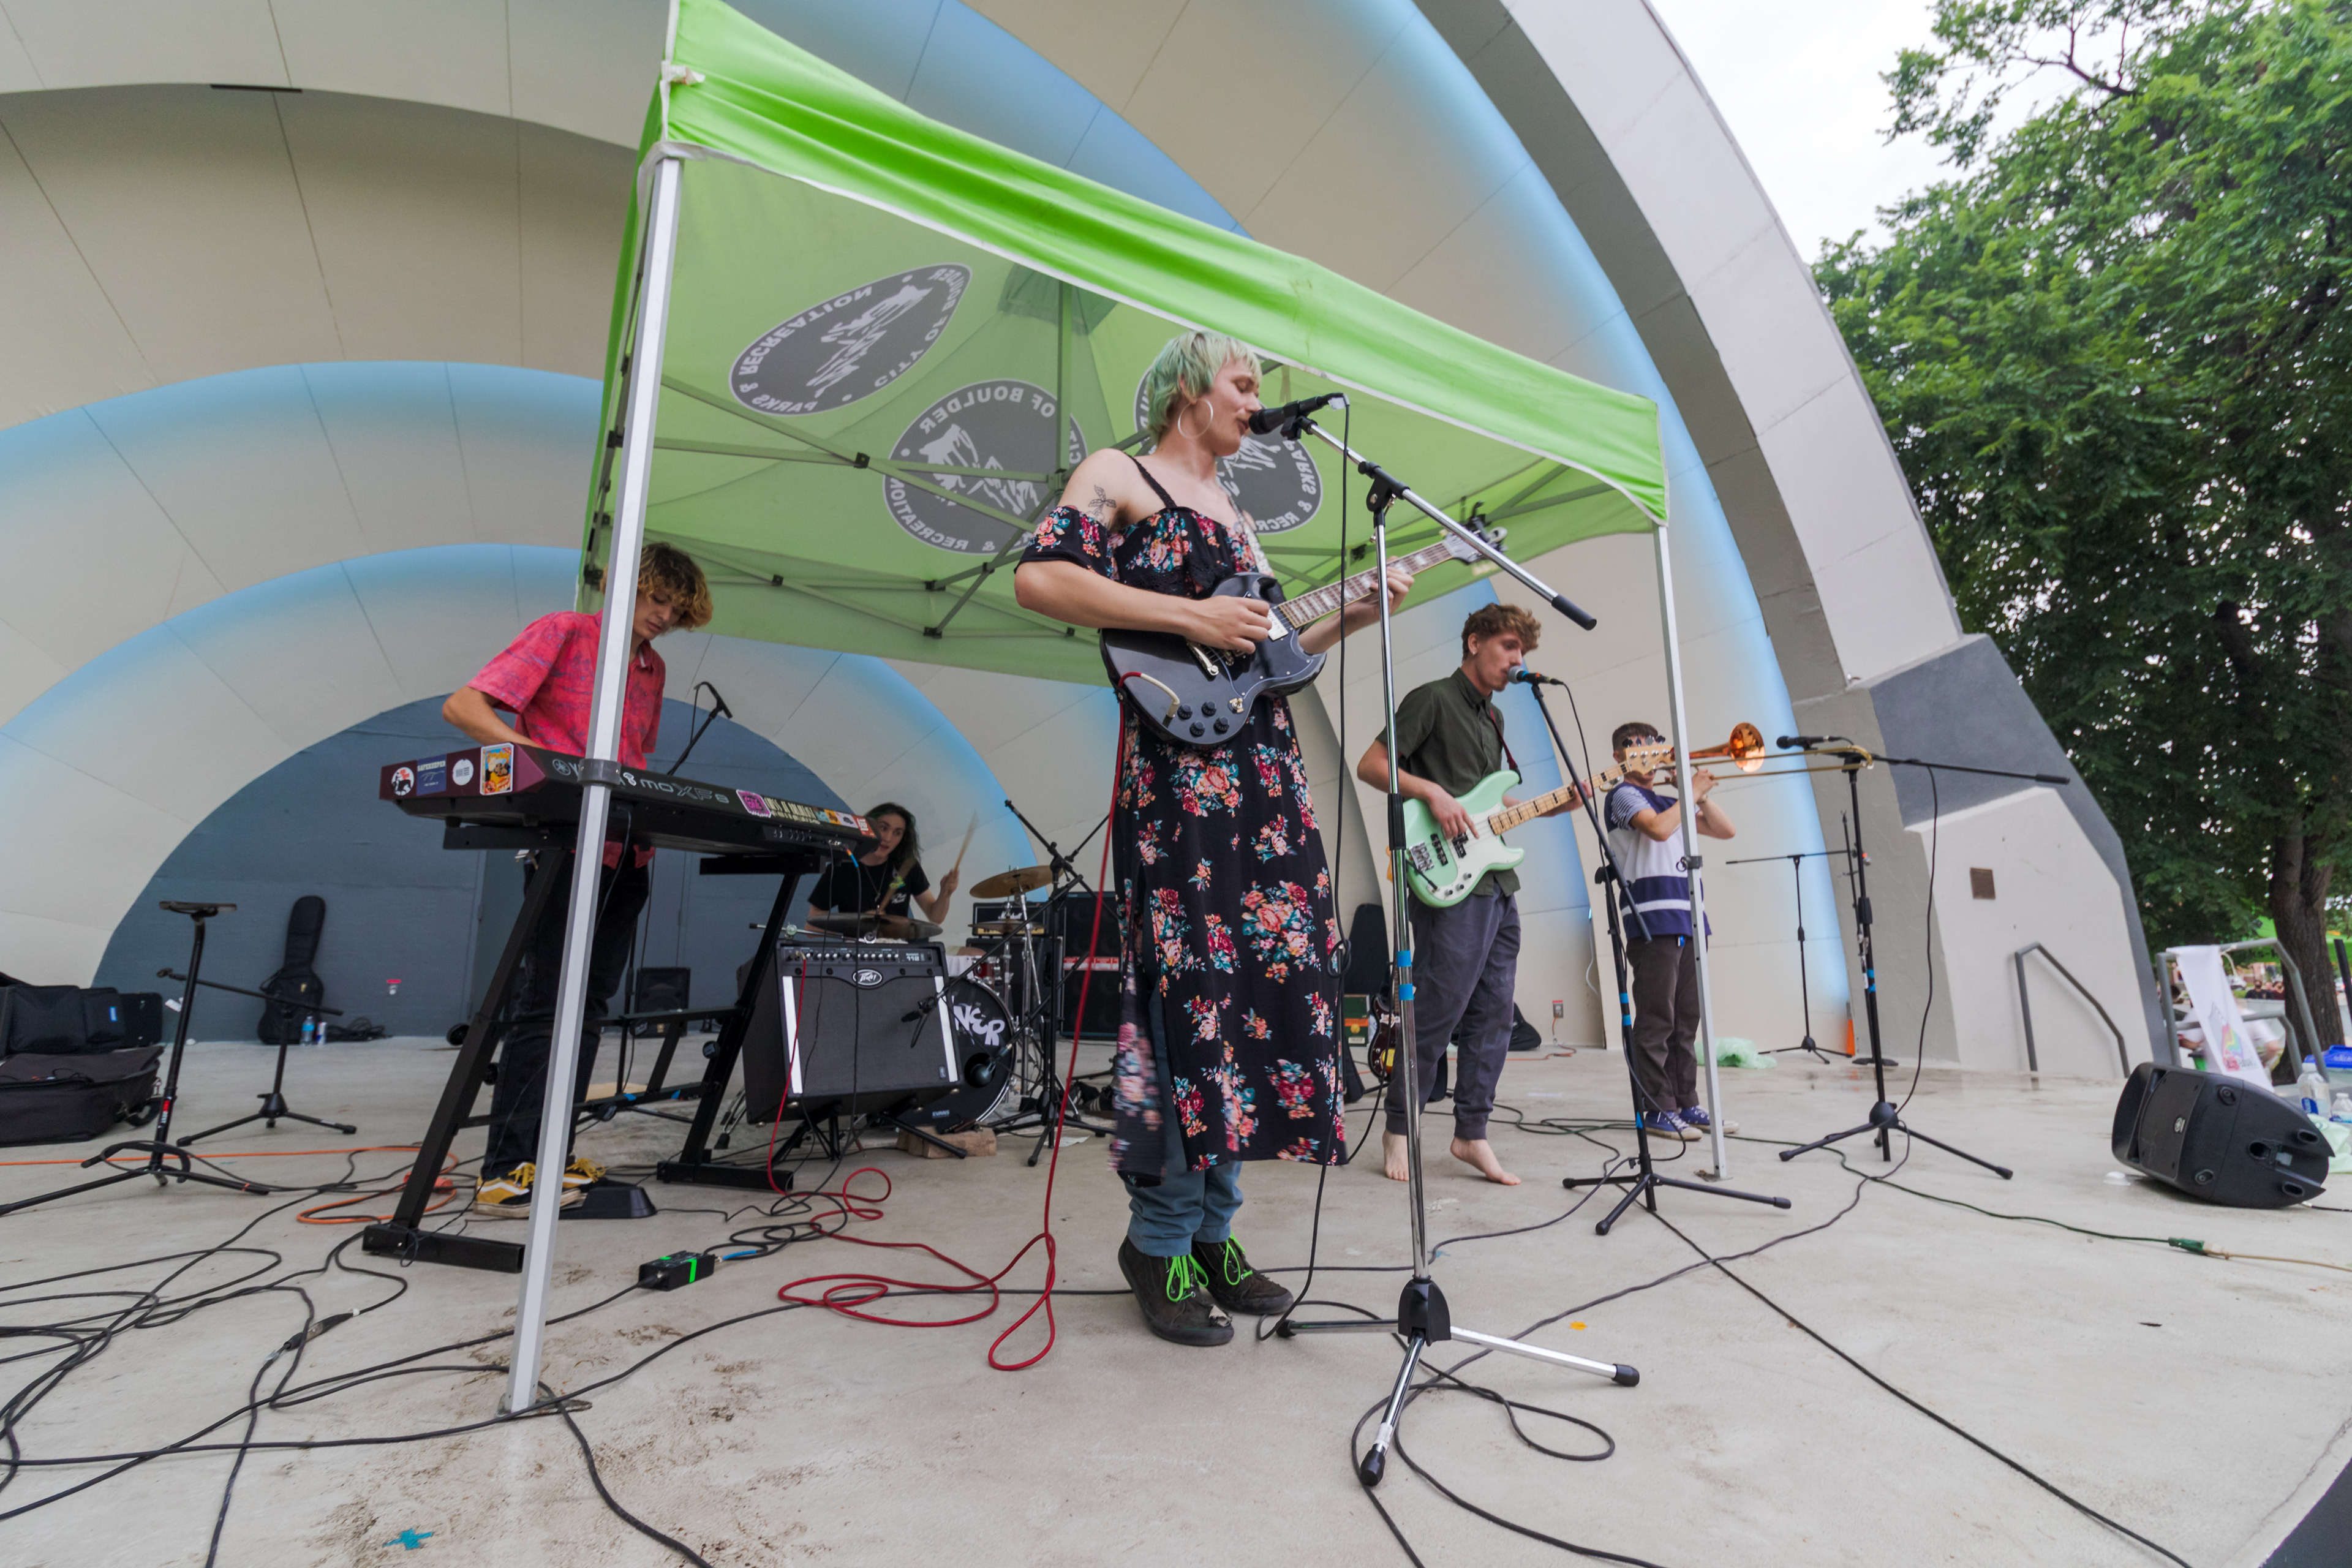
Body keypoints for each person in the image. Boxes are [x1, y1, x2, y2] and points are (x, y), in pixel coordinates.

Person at [1014, 330, 1411, 1346]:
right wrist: (1185, 616)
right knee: (1190, 1001)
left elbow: (1270, 657)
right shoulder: (1120, 473)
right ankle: (1159, 1240)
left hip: (1263, 776)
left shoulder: (1238, 512)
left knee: (1259, 999)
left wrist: (1354, 615)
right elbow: (1044, 580)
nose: (1254, 401)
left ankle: (1213, 1235)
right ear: (1190, 388)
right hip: (1181, 782)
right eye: (1243, 383)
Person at [441, 543, 712, 1214]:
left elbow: (633, 754)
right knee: (544, 1005)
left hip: (629, 850)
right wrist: (549, 764)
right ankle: (508, 1169)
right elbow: (466, 708)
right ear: (625, 583)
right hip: (566, 842)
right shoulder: (564, 630)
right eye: (656, 599)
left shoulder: (653, 667)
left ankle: (551, 1157)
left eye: (675, 610)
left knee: (588, 1008)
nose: (663, 615)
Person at [1355, 603, 1583, 1187]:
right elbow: (1372, 763)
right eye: (1509, 646)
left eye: (1523, 652)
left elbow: (1489, 807)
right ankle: (1400, 1125)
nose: (1517, 660)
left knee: (1495, 1017)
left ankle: (1470, 1133)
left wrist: (1557, 802)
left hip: (1497, 883)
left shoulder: (1496, 720)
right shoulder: (1433, 698)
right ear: (1475, 641)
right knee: (1437, 1007)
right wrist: (1432, 792)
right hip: (1446, 883)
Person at [1602, 719, 1737, 1142]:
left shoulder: (1667, 801)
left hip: (1689, 918)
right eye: (1634, 746)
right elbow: (1658, 832)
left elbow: (1724, 830)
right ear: (1619, 757)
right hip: (1651, 919)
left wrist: (1692, 791)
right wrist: (1690, 793)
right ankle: (1656, 1108)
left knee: (1686, 1020)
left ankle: (1686, 1102)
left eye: (1652, 745)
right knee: (1657, 1019)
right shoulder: (1622, 795)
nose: (1645, 752)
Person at [805, 803, 959, 926]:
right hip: (856, 953)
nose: (888, 838)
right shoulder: (841, 868)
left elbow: (935, 917)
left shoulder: (906, 866)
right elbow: (811, 925)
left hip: (899, 951)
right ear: (868, 827)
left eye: (897, 833)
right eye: (883, 828)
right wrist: (857, 922)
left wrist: (946, 894)